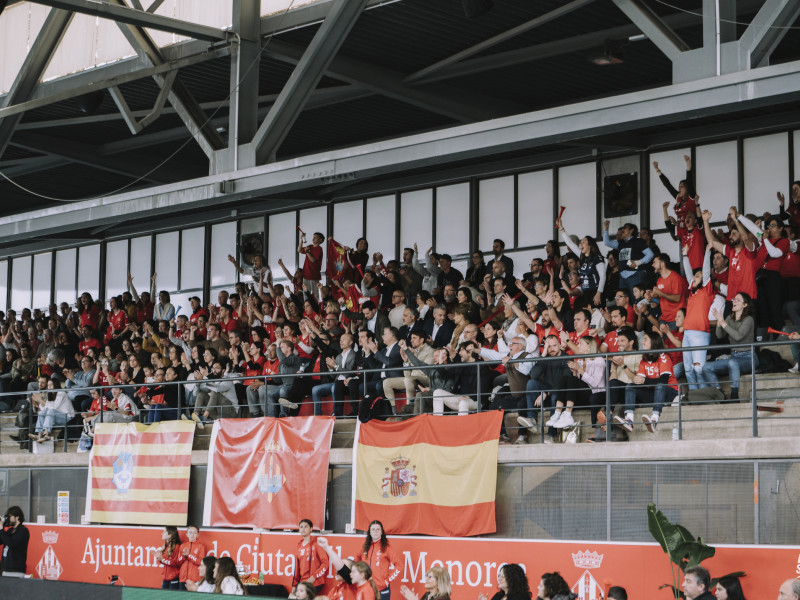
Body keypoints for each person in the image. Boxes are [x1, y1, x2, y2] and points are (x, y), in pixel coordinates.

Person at [702, 292, 757, 400]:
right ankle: (720, 394)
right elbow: (719, 335)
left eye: (737, 300)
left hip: (748, 357)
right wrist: (719, 322)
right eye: (734, 299)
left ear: (745, 305)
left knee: (732, 362)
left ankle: (734, 395)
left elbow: (738, 336)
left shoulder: (749, 319)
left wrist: (723, 323)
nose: (734, 301)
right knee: (706, 368)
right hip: (734, 357)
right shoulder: (729, 318)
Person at [356, 520, 400, 600]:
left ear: (381, 532)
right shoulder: (365, 547)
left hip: (381, 590)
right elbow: (356, 560)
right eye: (373, 529)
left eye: (378, 529)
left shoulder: (387, 548)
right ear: (369, 532)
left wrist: (387, 581)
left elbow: (399, 565)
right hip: (366, 589)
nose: (375, 531)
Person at [292, 519, 329, 594]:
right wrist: (294, 585)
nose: (303, 529)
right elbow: (297, 568)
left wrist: (314, 577)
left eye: (306, 527)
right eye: (301, 527)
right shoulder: (299, 545)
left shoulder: (316, 544)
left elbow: (325, 563)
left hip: (315, 582)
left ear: (311, 529)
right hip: (302, 582)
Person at [0, 506, 29, 577]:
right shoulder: (10, 530)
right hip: (5, 568)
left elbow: (11, 543)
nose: (8, 519)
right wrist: (2, 527)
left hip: (16, 570)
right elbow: (1, 541)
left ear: (17, 517)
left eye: (10, 516)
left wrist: (1, 529)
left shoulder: (23, 530)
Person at [178, 525, 207, 591]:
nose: (192, 535)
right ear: (187, 534)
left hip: (195, 579)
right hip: (183, 579)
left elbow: (200, 562)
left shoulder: (201, 546)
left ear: (197, 535)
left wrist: (189, 555)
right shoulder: (183, 545)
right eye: (190, 532)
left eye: (194, 533)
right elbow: (178, 562)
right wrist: (183, 556)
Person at [156, 526, 182, 590]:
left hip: (173, 578)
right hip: (165, 578)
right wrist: (159, 558)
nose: (162, 533)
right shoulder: (166, 546)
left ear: (170, 534)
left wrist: (162, 559)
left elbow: (176, 563)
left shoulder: (176, 547)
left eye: (164, 532)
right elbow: (165, 562)